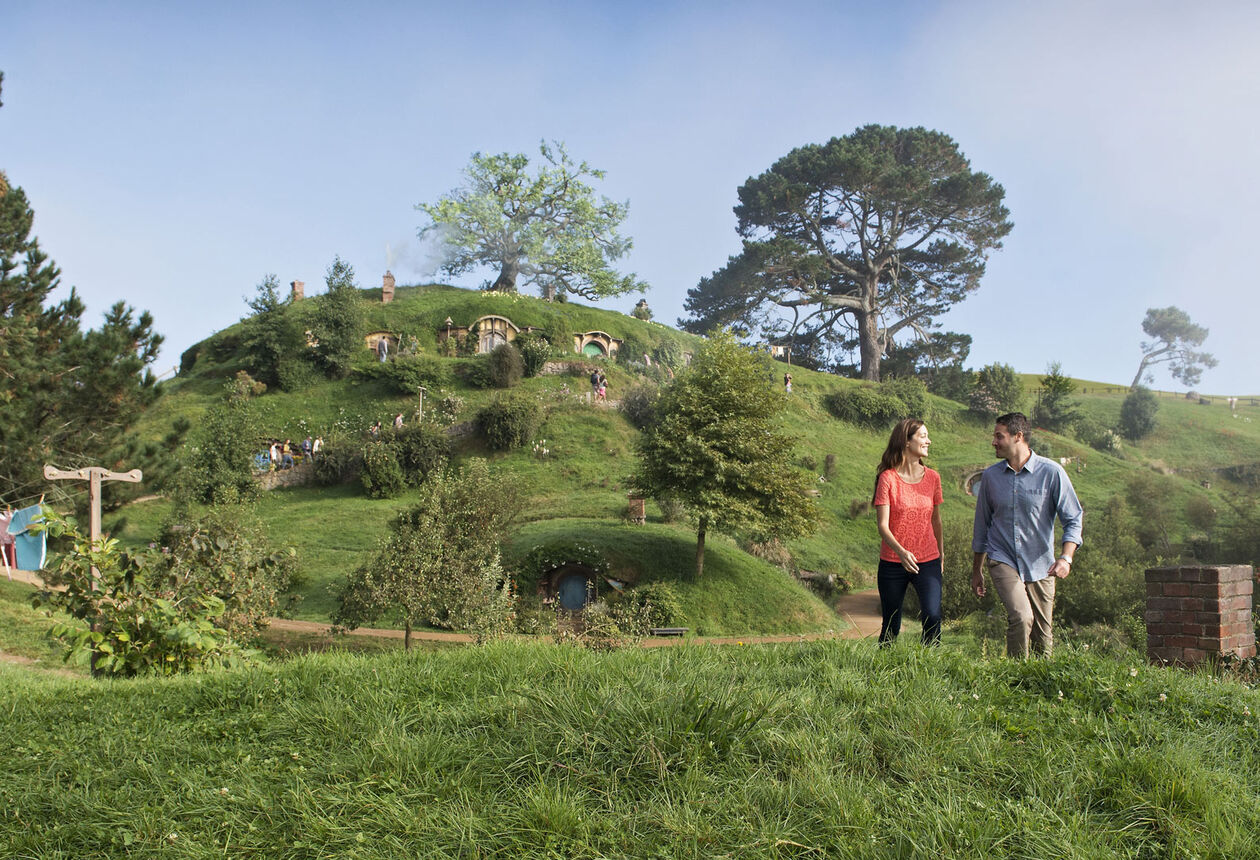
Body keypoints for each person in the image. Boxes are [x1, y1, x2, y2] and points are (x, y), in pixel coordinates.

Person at [971, 412, 1083, 658]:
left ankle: (1040, 687)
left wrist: (1066, 558)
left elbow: (1073, 518)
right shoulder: (990, 477)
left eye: (999, 436)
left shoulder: (1052, 473)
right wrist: (977, 570)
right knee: (1021, 618)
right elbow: (982, 526)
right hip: (1002, 558)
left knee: (1043, 638)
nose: (994, 442)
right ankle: (1015, 678)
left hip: (1041, 564)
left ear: (1018, 436)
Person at [872, 418, 944, 645]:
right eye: (923, 436)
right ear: (906, 441)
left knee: (933, 616)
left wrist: (941, 556)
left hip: (928, 559)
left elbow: (936, 520)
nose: (928, 441)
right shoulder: (888, 479)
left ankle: (929, 668)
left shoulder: (933, 477)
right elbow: (883, 525)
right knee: (891, 623)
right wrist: (902, 552)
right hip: (893, 561)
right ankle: (884, 671)